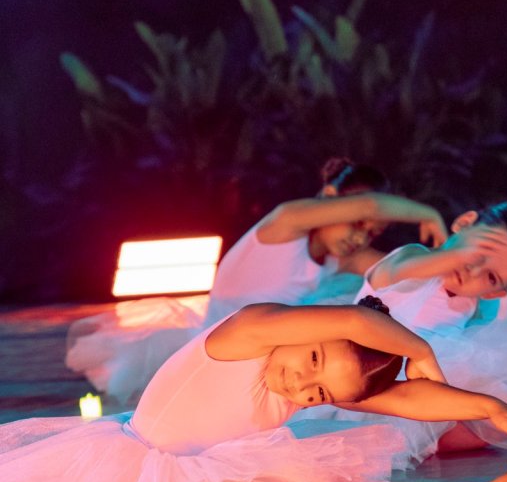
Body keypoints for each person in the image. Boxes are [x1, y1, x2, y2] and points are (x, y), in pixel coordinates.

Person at [0, 300, 507, 482]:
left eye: (319, 393)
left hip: (197, 480)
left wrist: (493, 409)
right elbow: (352, 322)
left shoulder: (300, 378)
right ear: (308, 327)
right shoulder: (247, 333)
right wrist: (420, 350)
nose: (301, 386)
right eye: (312, 360)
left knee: (341, 480)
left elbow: (404, 399)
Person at [65, 158, 447, 404]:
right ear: (330, 199)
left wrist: (458, 258)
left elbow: (398, 267)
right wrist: (428, 214)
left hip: (266, 352)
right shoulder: (284, 224)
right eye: (356, 222)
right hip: (220, 342)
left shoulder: (338, 258)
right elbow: (371, 203)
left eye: (372, 232)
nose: (361, 237)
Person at [299, 202, 507, 449]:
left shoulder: (471, 303)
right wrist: (459, 255)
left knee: (491, 413)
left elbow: (495, 340)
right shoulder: (410, 258)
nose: (472, 270)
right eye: (478, 254)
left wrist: (504, 299)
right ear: (464, 223)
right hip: (367, 388)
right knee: (468, 374)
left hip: (422, 400)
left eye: (490, 277)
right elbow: (402, 270)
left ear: (494, 292)